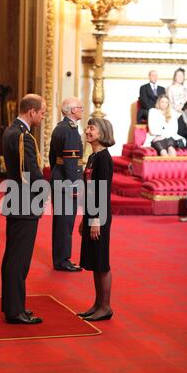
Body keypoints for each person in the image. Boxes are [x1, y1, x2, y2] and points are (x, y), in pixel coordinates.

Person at [1, 94, 47, 324]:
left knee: (12, 257)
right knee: (19, 260)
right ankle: (15, 311)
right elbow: (32, 173)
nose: (42, 116)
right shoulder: (23, 137)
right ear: (31, 111)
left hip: (14, 201)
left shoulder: (10, 131)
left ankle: (12, 305)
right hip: (25, 204)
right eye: (42, 112)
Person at [78, 118, 115, 321]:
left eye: (92, 128)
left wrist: (95, 221)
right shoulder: (93, 156)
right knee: (94, 260)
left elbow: (102, 192)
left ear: (102, 133)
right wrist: (85, 218)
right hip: (92, 213)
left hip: (100, 216)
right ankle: (97, 304)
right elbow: (89, 189)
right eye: (88, 127)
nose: (88, 130)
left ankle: (106, 307)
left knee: (102, 262)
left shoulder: (104, 158)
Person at [49, 97, 84, 272]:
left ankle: (60, 258)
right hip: (67, 180)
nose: (82, 110)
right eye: (80, 108)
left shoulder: (59, 128)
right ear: (71, 111)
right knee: (65, 222)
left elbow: (52, 157)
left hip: (58, 177)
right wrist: (74, 185)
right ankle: (63, 260)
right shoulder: (69, 130)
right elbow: (71, 162)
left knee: (61, 221)